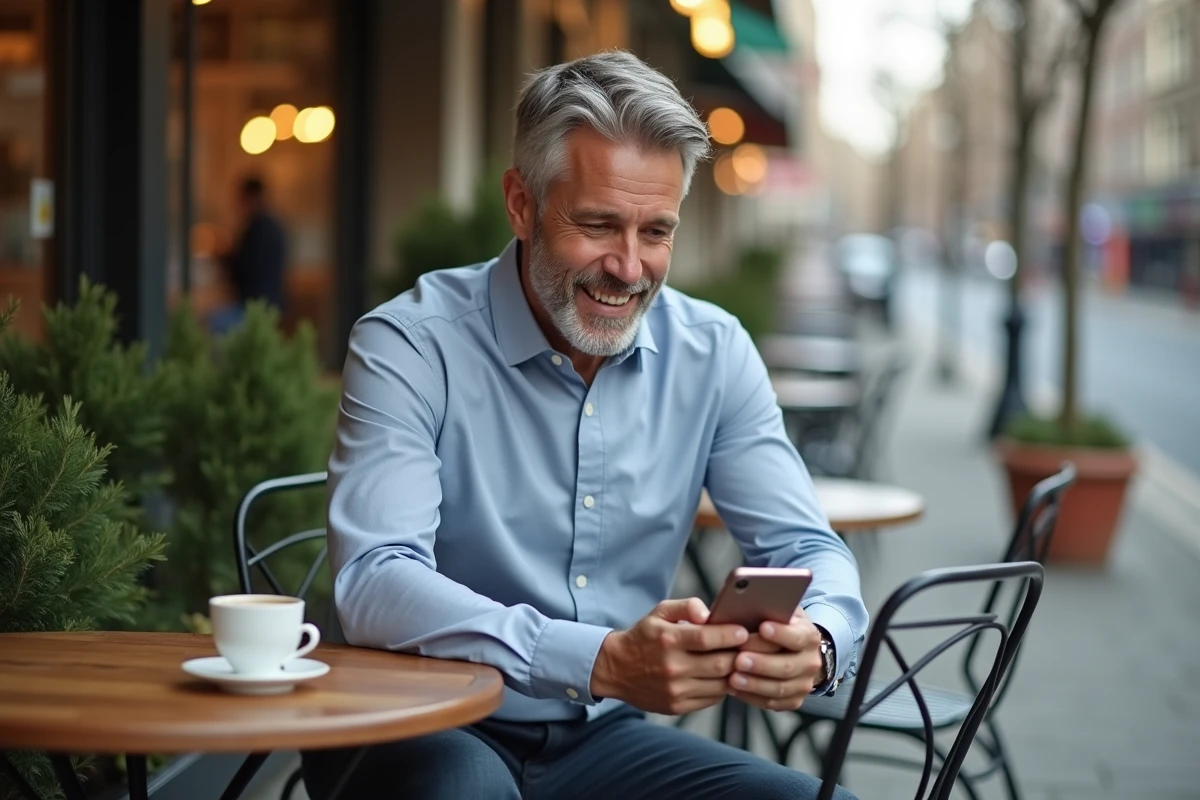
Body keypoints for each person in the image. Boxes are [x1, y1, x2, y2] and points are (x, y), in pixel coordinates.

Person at [305, 51, 867, 800]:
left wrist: (819, 641)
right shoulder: (410, 344)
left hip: (599, 741)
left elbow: (805, 547)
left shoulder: (715, 352)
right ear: (521, 203)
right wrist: (598, 659)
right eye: (599, 224)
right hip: (415, 719)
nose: (630, 268)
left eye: (656, 231)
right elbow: (374, 582)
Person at [210, 176, 286, 333]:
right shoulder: (272, 226)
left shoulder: (258, 229)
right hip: (269, 306)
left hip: (254, 308)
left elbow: (246, 267)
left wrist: (224, 256)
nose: (240, 205)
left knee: (212, 324)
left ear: (251, 198)